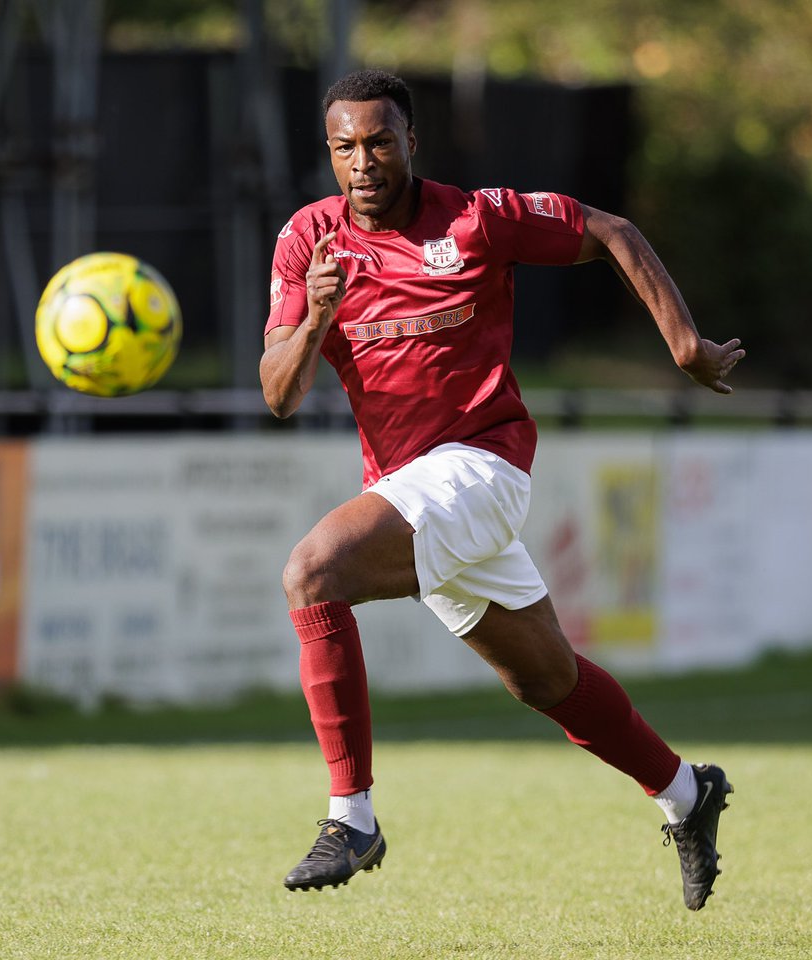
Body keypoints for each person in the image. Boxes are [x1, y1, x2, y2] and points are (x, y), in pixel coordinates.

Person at [259, 69, 744, 910]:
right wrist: (313, 319)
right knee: (545, 681)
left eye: (379, 142)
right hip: (407, 484)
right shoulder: (309, 241)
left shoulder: (477, 218)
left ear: (411, 140)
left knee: (312, 572)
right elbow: (277, 392)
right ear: (329, 153)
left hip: (482, 464)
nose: (363, 162)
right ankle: (688, 796)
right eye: (345, 147)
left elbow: (613, 231)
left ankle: (353, 816)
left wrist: (685, 342)